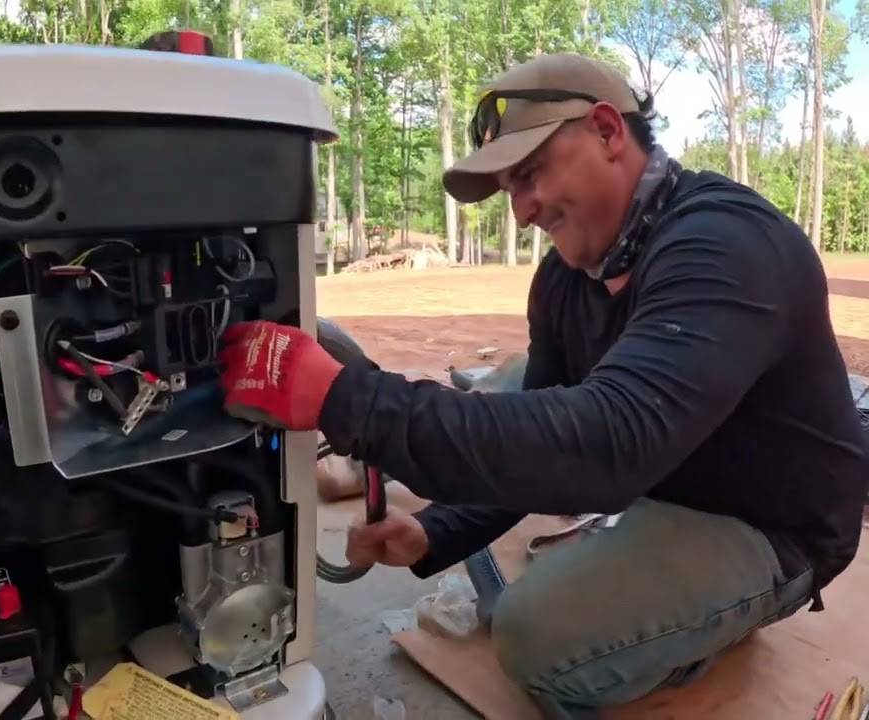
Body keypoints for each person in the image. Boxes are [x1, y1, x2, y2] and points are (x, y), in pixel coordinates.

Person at [215, 53, 869, 718]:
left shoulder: (727, 244)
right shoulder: (566, 278)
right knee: (520, 392)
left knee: (536, 638)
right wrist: (439, 530)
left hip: (773, 524)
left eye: (530, 174)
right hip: (673, 474)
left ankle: (709, 628)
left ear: (608, 131)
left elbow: (609, 447)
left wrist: (341, 398)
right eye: (509, 188)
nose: (523, 211)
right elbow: (547, 433)